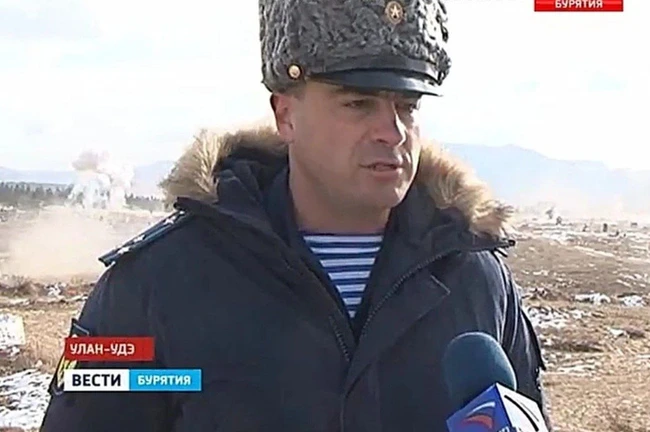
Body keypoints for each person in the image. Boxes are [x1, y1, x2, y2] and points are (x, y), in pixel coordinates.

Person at [40, 0, 551, 430]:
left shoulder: (477, 279)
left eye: (408, 106)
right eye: (358, 104)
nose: (392, 132)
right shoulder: (155, 282)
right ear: (285, 114)